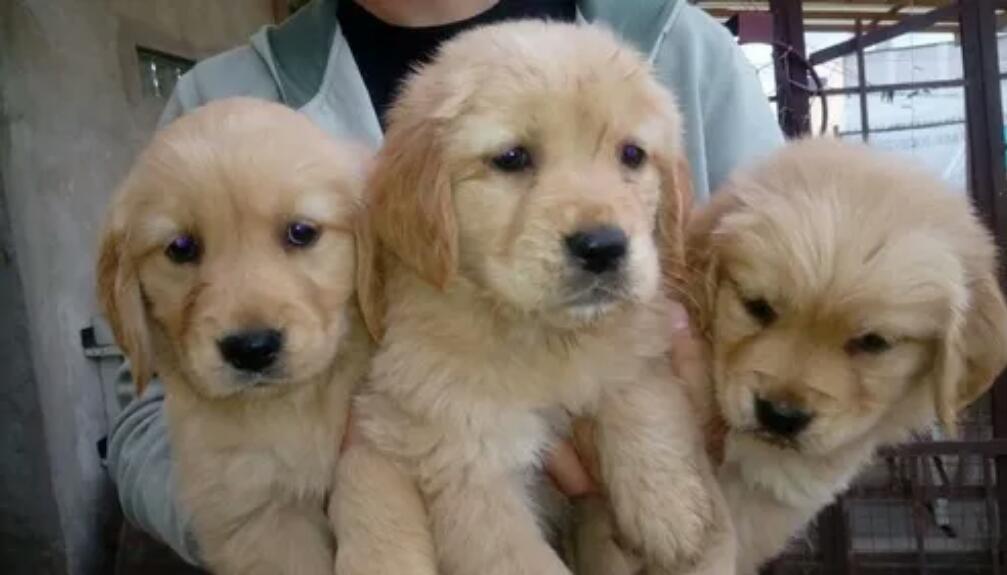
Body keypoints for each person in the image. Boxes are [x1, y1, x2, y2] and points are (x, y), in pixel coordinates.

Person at [107, 0, 783, 565]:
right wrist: (314, 497)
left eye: (631, 155)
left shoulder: (689, 54)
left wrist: (720, 415)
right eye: (512, 158)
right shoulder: (216, 95)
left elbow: (818, 339)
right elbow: (141, 419)